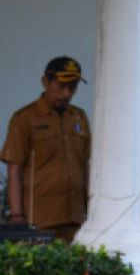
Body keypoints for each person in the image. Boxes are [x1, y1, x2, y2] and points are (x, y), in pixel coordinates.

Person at [1, 57, 91, 242]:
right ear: (45, 82)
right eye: (61, 86)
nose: (66, 93)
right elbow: (15, 168)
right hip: (40, 222)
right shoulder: (24, 119)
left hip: (76, 220)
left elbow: (86, 166)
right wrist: (17, 217)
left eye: (72, 87)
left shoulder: (79, 117)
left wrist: (92, 210)